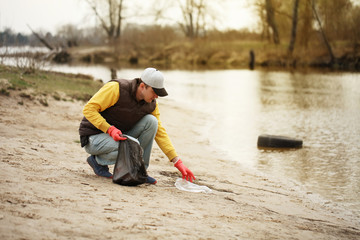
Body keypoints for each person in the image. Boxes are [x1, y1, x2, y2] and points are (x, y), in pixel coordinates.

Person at [78, 67, 195, 184]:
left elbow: (160, 131)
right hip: (93, 137)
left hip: (118, 135)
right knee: (134, 146)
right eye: (154, 92)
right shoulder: (116, 88)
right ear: (143, 86)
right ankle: (97, 161)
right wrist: (109, 129)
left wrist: (177, 161)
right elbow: (89, 109)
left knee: (152, 122)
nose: (156, 97)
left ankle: (139, 171)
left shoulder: (151, 103)